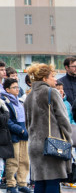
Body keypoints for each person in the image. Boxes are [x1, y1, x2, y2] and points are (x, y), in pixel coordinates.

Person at [24, 63, 73, 193]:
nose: (56, 80)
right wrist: (69, 139)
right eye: (52, 76)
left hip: (34, 145)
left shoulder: (29, 96)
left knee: (40, 182)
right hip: (52, 143)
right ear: (44, 79)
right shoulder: (52, 93)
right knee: (53, 180)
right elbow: (63, 120)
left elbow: (27, 123)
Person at [2, 77, 30, 193]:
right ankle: (11, 184)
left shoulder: (19, 101)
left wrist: (25, 130)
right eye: (14, 87)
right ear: (7, 89)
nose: (17, 89)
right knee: (13, 161)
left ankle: (22, 183)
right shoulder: (5, 102)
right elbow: (7, 121)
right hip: (13, 135)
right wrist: (19, 129)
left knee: (24, 160)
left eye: (18, 87)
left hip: (23, 133)